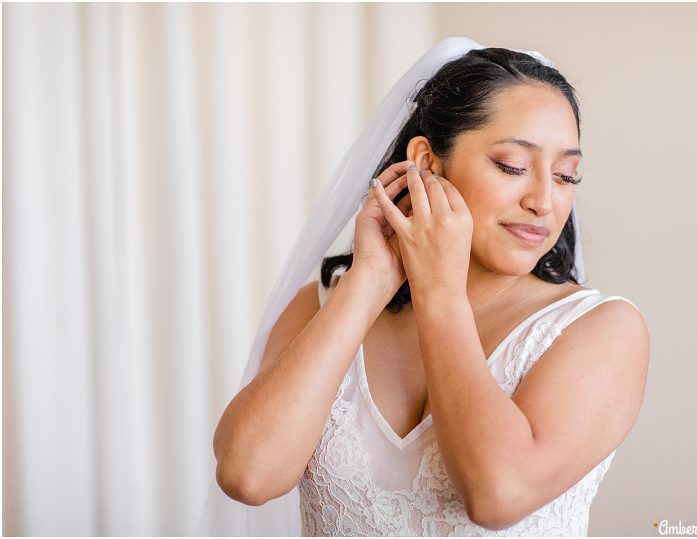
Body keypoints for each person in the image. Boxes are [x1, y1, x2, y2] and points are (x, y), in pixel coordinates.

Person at [196, 37, 649, 537]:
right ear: (428, 162)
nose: (544, 201)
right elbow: (248, 475)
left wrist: (440, 291)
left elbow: (498, 494)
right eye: (513, 167)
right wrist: (368, 281)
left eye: (566, 176)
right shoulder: (323, 307)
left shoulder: (600, 330)